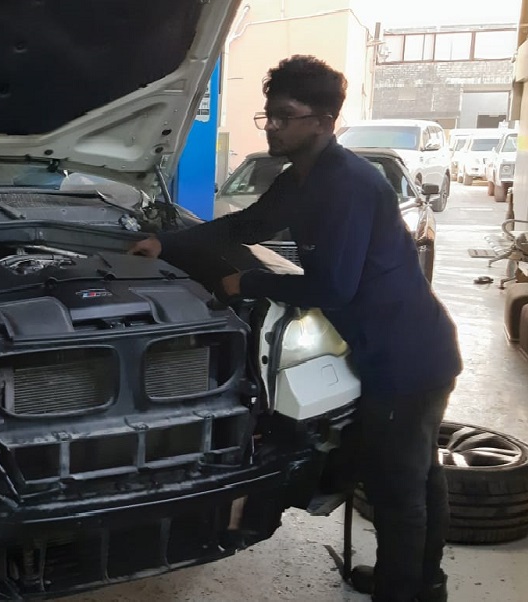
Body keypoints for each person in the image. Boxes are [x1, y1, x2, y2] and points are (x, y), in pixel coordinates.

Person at [130, 55, 462, 602]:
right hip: (401, 347)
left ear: (324, 121)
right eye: (269, 115)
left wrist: (249, 282)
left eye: (286, 116)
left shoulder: (349, 185)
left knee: (400, 489)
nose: (273, 127)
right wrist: (165, 244)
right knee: (419, 476)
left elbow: (335, 287)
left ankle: (405, 591)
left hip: (407, 358)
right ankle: (422, 584)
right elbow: (246, 224)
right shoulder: (300, 179)